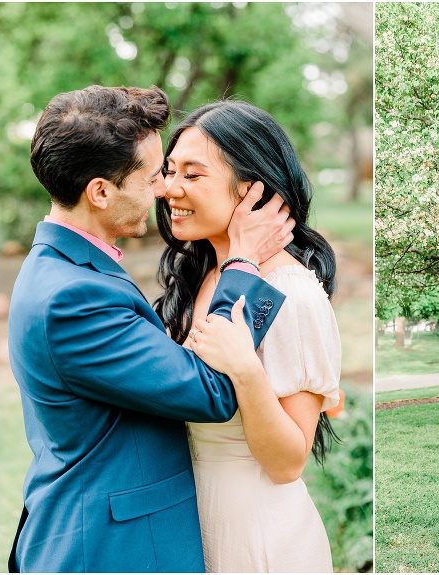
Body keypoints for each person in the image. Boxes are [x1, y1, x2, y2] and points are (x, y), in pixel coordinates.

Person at [7, 85, 294, 573]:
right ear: (100, 191)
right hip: (108, 550)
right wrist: (243, 261)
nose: (165, 188)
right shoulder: (73, 298)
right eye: (152, 175)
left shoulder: (70, 269)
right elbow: (211, 391)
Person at [153, 100, 341, 572]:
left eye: (192, 175)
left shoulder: (291, 291)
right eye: (169, 171)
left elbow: (288, 463)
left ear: (252, 190)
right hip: (191, 523)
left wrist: (246, 371)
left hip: (258, 539)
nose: (169, 188)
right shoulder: (203, 275)